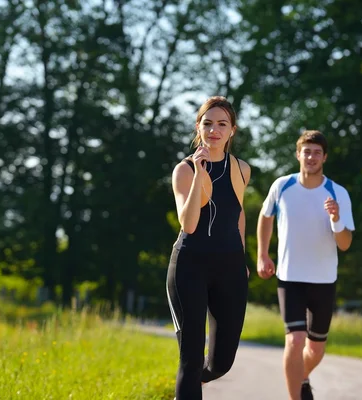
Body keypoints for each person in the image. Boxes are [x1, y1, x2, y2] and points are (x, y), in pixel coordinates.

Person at [256, 130, 354, 400]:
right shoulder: (282, 186)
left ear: (325, 157)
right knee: (295, 340)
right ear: (298, 154)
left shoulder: (338, 193)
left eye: (317, 152)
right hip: (290, 278)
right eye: (306, 151)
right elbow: (265, 218)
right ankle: (294, 395)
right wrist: (262, 254)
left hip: (324, 280)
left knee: (316, 350)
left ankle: (299, 376)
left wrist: (335, 218)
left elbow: (345, 243)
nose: (311, 157)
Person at [166, 96, 251, 400]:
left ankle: (186, 386)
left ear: (232, 131)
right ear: (198, 128)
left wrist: (242, 258)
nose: (214, 130)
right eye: (208, 123)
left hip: (229, 268)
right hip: (189, 266)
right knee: (190, 358)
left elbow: (238, 214)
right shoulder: (184, 170)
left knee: (221, 363)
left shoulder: (242, 168)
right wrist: (200, 176)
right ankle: (186, 386)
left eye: (222, 124)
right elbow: (189, 224)